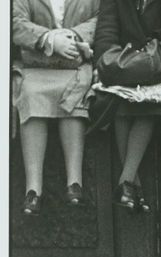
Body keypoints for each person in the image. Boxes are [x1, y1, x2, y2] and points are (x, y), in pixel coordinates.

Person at [93, 0, 161, 213]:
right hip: (122, 61)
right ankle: (130, 186)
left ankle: (127, 182)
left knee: (153, 102)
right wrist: (107, 61)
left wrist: (157, 51)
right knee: (117, 99)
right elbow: (105, 33)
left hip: (157, 63)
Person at [12, 0, 99, 215]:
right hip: (37, 64)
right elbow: (14, 22)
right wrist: (49, 38)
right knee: (30, 94)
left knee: (74, 96)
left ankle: (74, 182)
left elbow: (101, 18)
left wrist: (72, 35)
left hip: (74, 65)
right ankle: (33, 190)